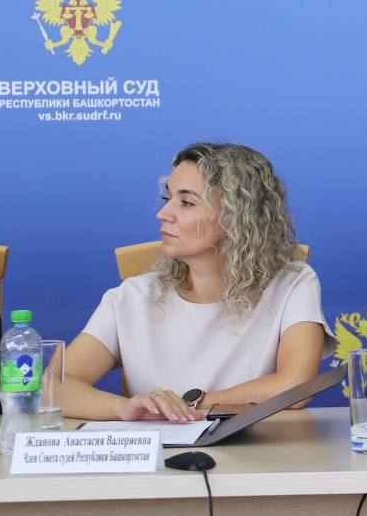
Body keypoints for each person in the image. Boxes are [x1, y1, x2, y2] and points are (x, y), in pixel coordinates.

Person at [64, 143, 336, 421]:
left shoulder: (293, 282)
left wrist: (193, 404)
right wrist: (124, 407)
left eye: (186, 203)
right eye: (167, 199)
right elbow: (56, 386)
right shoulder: (131, 297)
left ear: (237, 217)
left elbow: (296, 386)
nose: (163, 214)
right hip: (159, 449)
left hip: (256, 448)